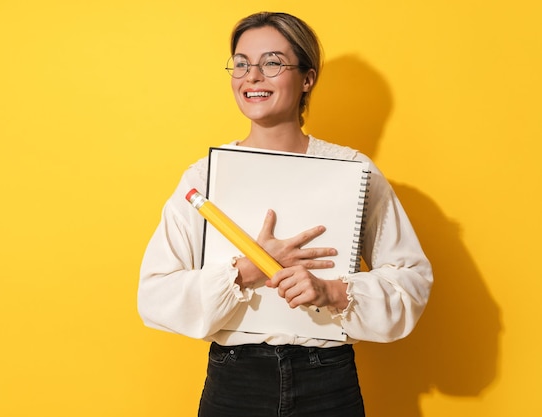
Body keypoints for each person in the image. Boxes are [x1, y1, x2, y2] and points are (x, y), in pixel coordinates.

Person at [138, 11, 432, 417]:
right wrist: (246, 270)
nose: (251, 77)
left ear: (307, 78)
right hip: (234, 382)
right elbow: (154, 295)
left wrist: (332, 293)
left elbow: (412, 281)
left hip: (328, 382)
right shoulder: (203, 176)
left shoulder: (353, 169)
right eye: (241, 64)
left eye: (272, 63)